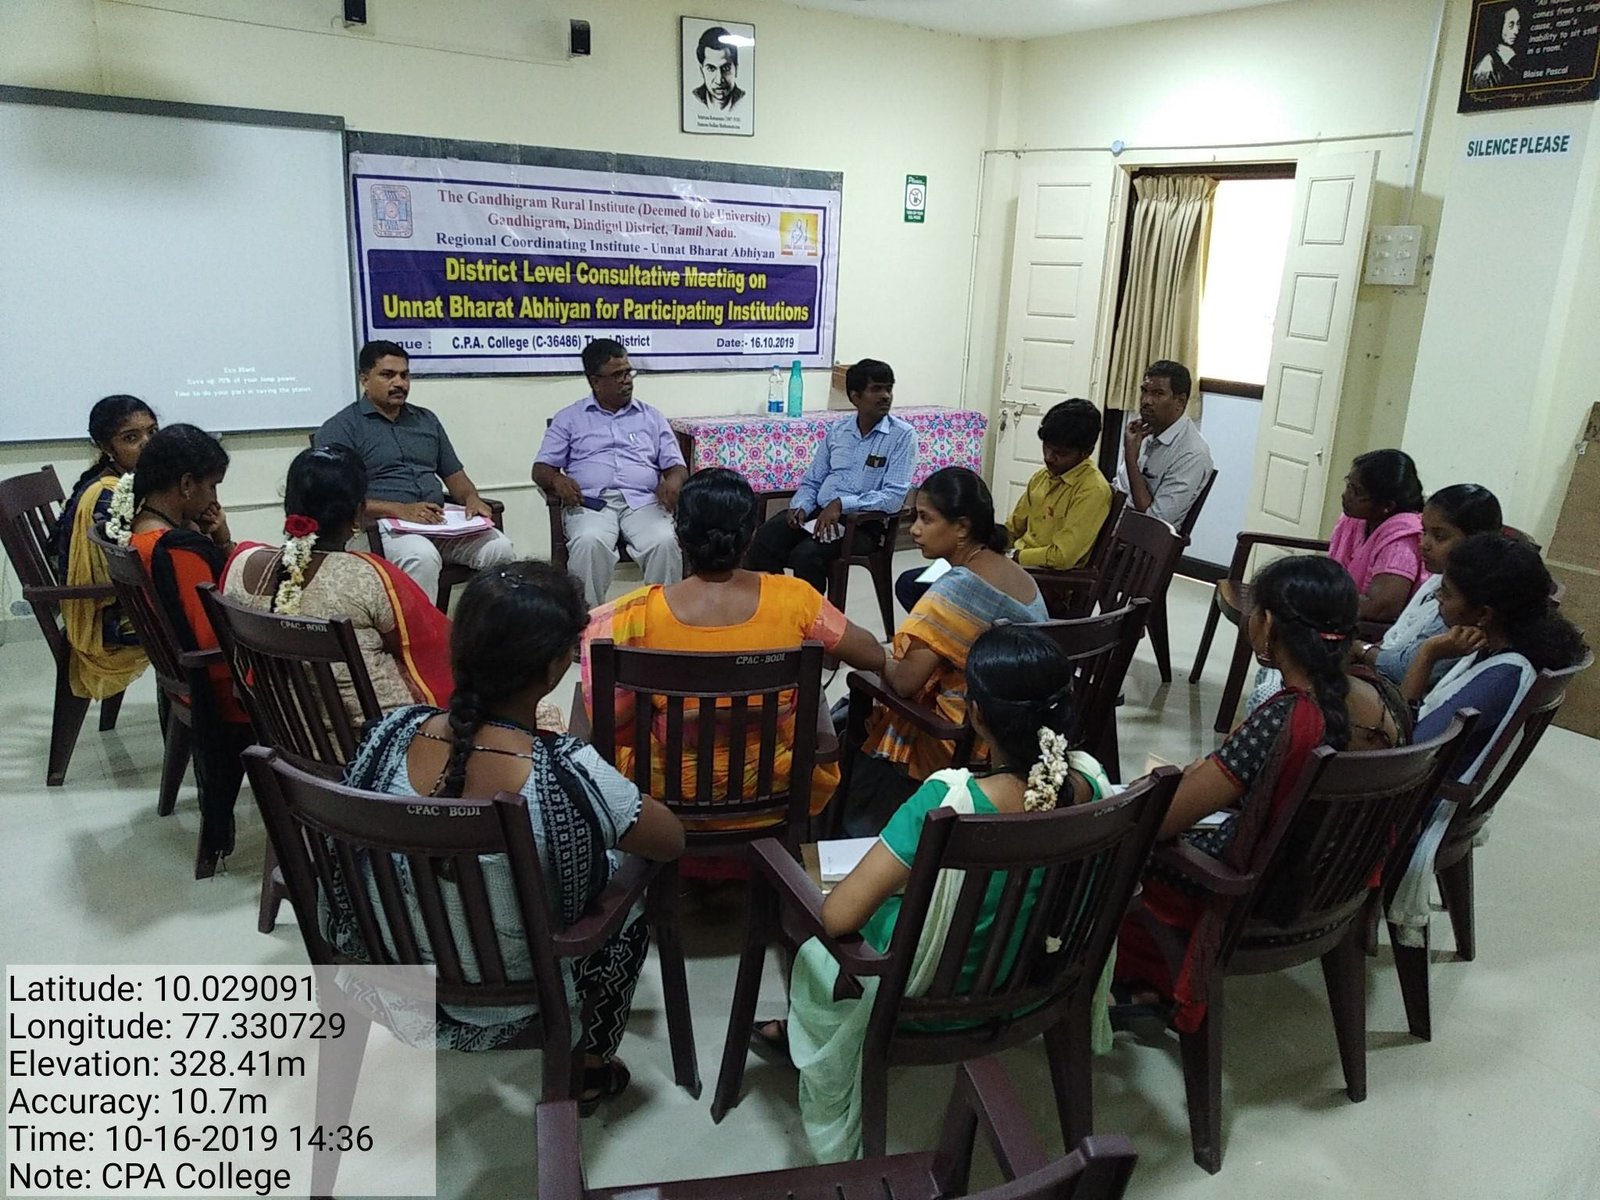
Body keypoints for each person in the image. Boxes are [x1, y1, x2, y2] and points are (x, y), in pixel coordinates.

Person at [751, 625, 1114, 1162]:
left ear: (977, 715)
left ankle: (810, 1042)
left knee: (805, 906)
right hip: (1036, 979)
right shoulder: (1092, 783)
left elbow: (838, 918)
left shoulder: (949, 800)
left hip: (925, 996)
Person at [336, 561, 685, 1113]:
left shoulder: (388, 735)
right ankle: (589, 1064)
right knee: (631, 894)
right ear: (554, 666)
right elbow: (670, 841)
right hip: (524, 994)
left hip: (395, 976)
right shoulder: (567, 771)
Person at [1115, 555, 1358, 1032]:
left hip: (1232, 882)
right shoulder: (1346, 703)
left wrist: (1149, 791)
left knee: (1112, 836)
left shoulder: (1284, 717)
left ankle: (1131, 976)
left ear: (1268, 624)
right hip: (1298, 878)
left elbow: (1161, 820)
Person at [582, 468, 888, 839]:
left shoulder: (629, 616)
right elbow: (873, 655)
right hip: (774, 789)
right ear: (751, 534)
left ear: (678, 534)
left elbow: (608, 721)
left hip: (660, 798)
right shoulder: (796, 599)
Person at [1388, 533, 1588, 945]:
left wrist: (1427, 654)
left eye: (1446, 593)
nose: (1437, 599)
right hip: (1430, 788)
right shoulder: (1506, 648)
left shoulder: (1500, 677)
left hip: (1412, 808)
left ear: (1482, 614)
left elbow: (1406, 752)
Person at [849, 467, 1049, 830]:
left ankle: (860, 829)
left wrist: (874, 656)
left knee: (858, 706)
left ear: (961, 528)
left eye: (926, 519)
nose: (914, 529)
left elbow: (906, 682)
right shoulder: (1021, 578)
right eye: (914, 517)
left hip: (967, 737)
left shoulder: (956, 590)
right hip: (1020, 730)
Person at [220, 446, 455, 724]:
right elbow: (437, 646)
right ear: (358, 513)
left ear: (289, 506)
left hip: (285, 736)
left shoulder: (241, 563)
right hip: (374, 740)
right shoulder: (368, 577)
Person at [120, 424, 248, 878]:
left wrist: (220, 539)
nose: (214, 498)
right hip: (222, 691)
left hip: (182, 683)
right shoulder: (179, 552)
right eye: (212, 486)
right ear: (187, 484)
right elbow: (214, 640)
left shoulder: (143, 535)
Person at [315, 340, 516, 603]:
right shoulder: (342, 427)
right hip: (380, 527)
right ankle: (419, 630)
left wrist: (471, 499)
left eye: (404, 375)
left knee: (499, 548)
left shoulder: (426, 420)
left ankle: (483, 627)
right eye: (388, 375)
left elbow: (456, 477)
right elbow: (335, 497)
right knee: (421, 556)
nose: (399, 383)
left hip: (438, 522)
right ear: (364, 379)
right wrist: (399, 510)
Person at [896, 397, 1109, 613]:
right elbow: (1012, 528)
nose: (1049, 457)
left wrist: (1014, 557)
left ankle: (953, 630)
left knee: (928, 589)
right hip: (1012, 565)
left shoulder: (1092, 490)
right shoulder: (1042, 478)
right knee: (912, 582)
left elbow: (1062, 557)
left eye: (1060, 453)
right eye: (1046, 447)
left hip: (1043, 584)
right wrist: (980, 545)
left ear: (1086, 452)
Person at [534, 338, 689, 609]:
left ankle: (661, 618)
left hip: (643, 503)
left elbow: (675, 466)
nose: (627, 380)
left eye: (629, 372)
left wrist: (674, 481)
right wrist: (557, 480)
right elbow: (541, 468)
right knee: (589, 542)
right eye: (618, 375)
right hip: (591, 503)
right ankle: (587, 622)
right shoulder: (569, 418)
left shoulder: (651, 417)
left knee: (665, 542)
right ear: (595, 381)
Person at [746, 358, 917, 595]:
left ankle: (815, 616)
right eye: (876, 389)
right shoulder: (839, 431)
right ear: (855, 397)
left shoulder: (902, 436)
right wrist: (802, 506)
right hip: (819, 513)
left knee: (806, 555)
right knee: (765, 539)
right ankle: (777, 607)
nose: (885, 396)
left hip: (862, 524)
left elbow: (894, 497)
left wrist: (841, 504)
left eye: (888, 389)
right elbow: (813, 480)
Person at [49, 394, 157, 701]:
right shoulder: (107, 495)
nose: (148, 443)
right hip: (107, 620)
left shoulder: (124, 482)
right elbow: (132, 567)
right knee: (212, 620)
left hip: (120, 599)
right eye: (131, 438)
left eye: (153, 432)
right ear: (107, 447)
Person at [1351, 483, 1504, 687]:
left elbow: (1404, 670)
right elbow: (1396, 637)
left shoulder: (1463, 605)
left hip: (1396, 692)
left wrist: (1359, 649)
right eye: (1424, 531)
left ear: (1476, 542)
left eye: (1439, 537)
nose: (1423, 544)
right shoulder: (1437, 580)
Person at [1329, 449, 1427, 623]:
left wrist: (1322, 599)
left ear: (1387, 505)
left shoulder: (1401, 539)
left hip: (1373, 632)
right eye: (1348, 485)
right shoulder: (1356, 520)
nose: (1345, 495)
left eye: (1356, 491)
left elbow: (1381, 609)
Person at [1113, 360, 1213, 530]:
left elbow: (1153, 521)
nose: (1146, 401)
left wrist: (1130, 458)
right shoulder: (1143, 431)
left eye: (1158, 394)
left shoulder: (1193, 453)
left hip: (1140, 540)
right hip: (1115, 523)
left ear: (1180, 401)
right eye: (1144, 391)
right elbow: (1119, 487)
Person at [691, 26, 746, 110]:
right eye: (711, 69)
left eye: (726, 69)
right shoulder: (693, 99)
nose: (719, 80)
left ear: (736, 69)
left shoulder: (744, 100)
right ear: (701, 71)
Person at [1471, 4, 1520, 89]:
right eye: (1510, 25)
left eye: (1518, 24)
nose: (1516, 31)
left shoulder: (1513, 58)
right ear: (1499, 25)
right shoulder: (1487, 66)